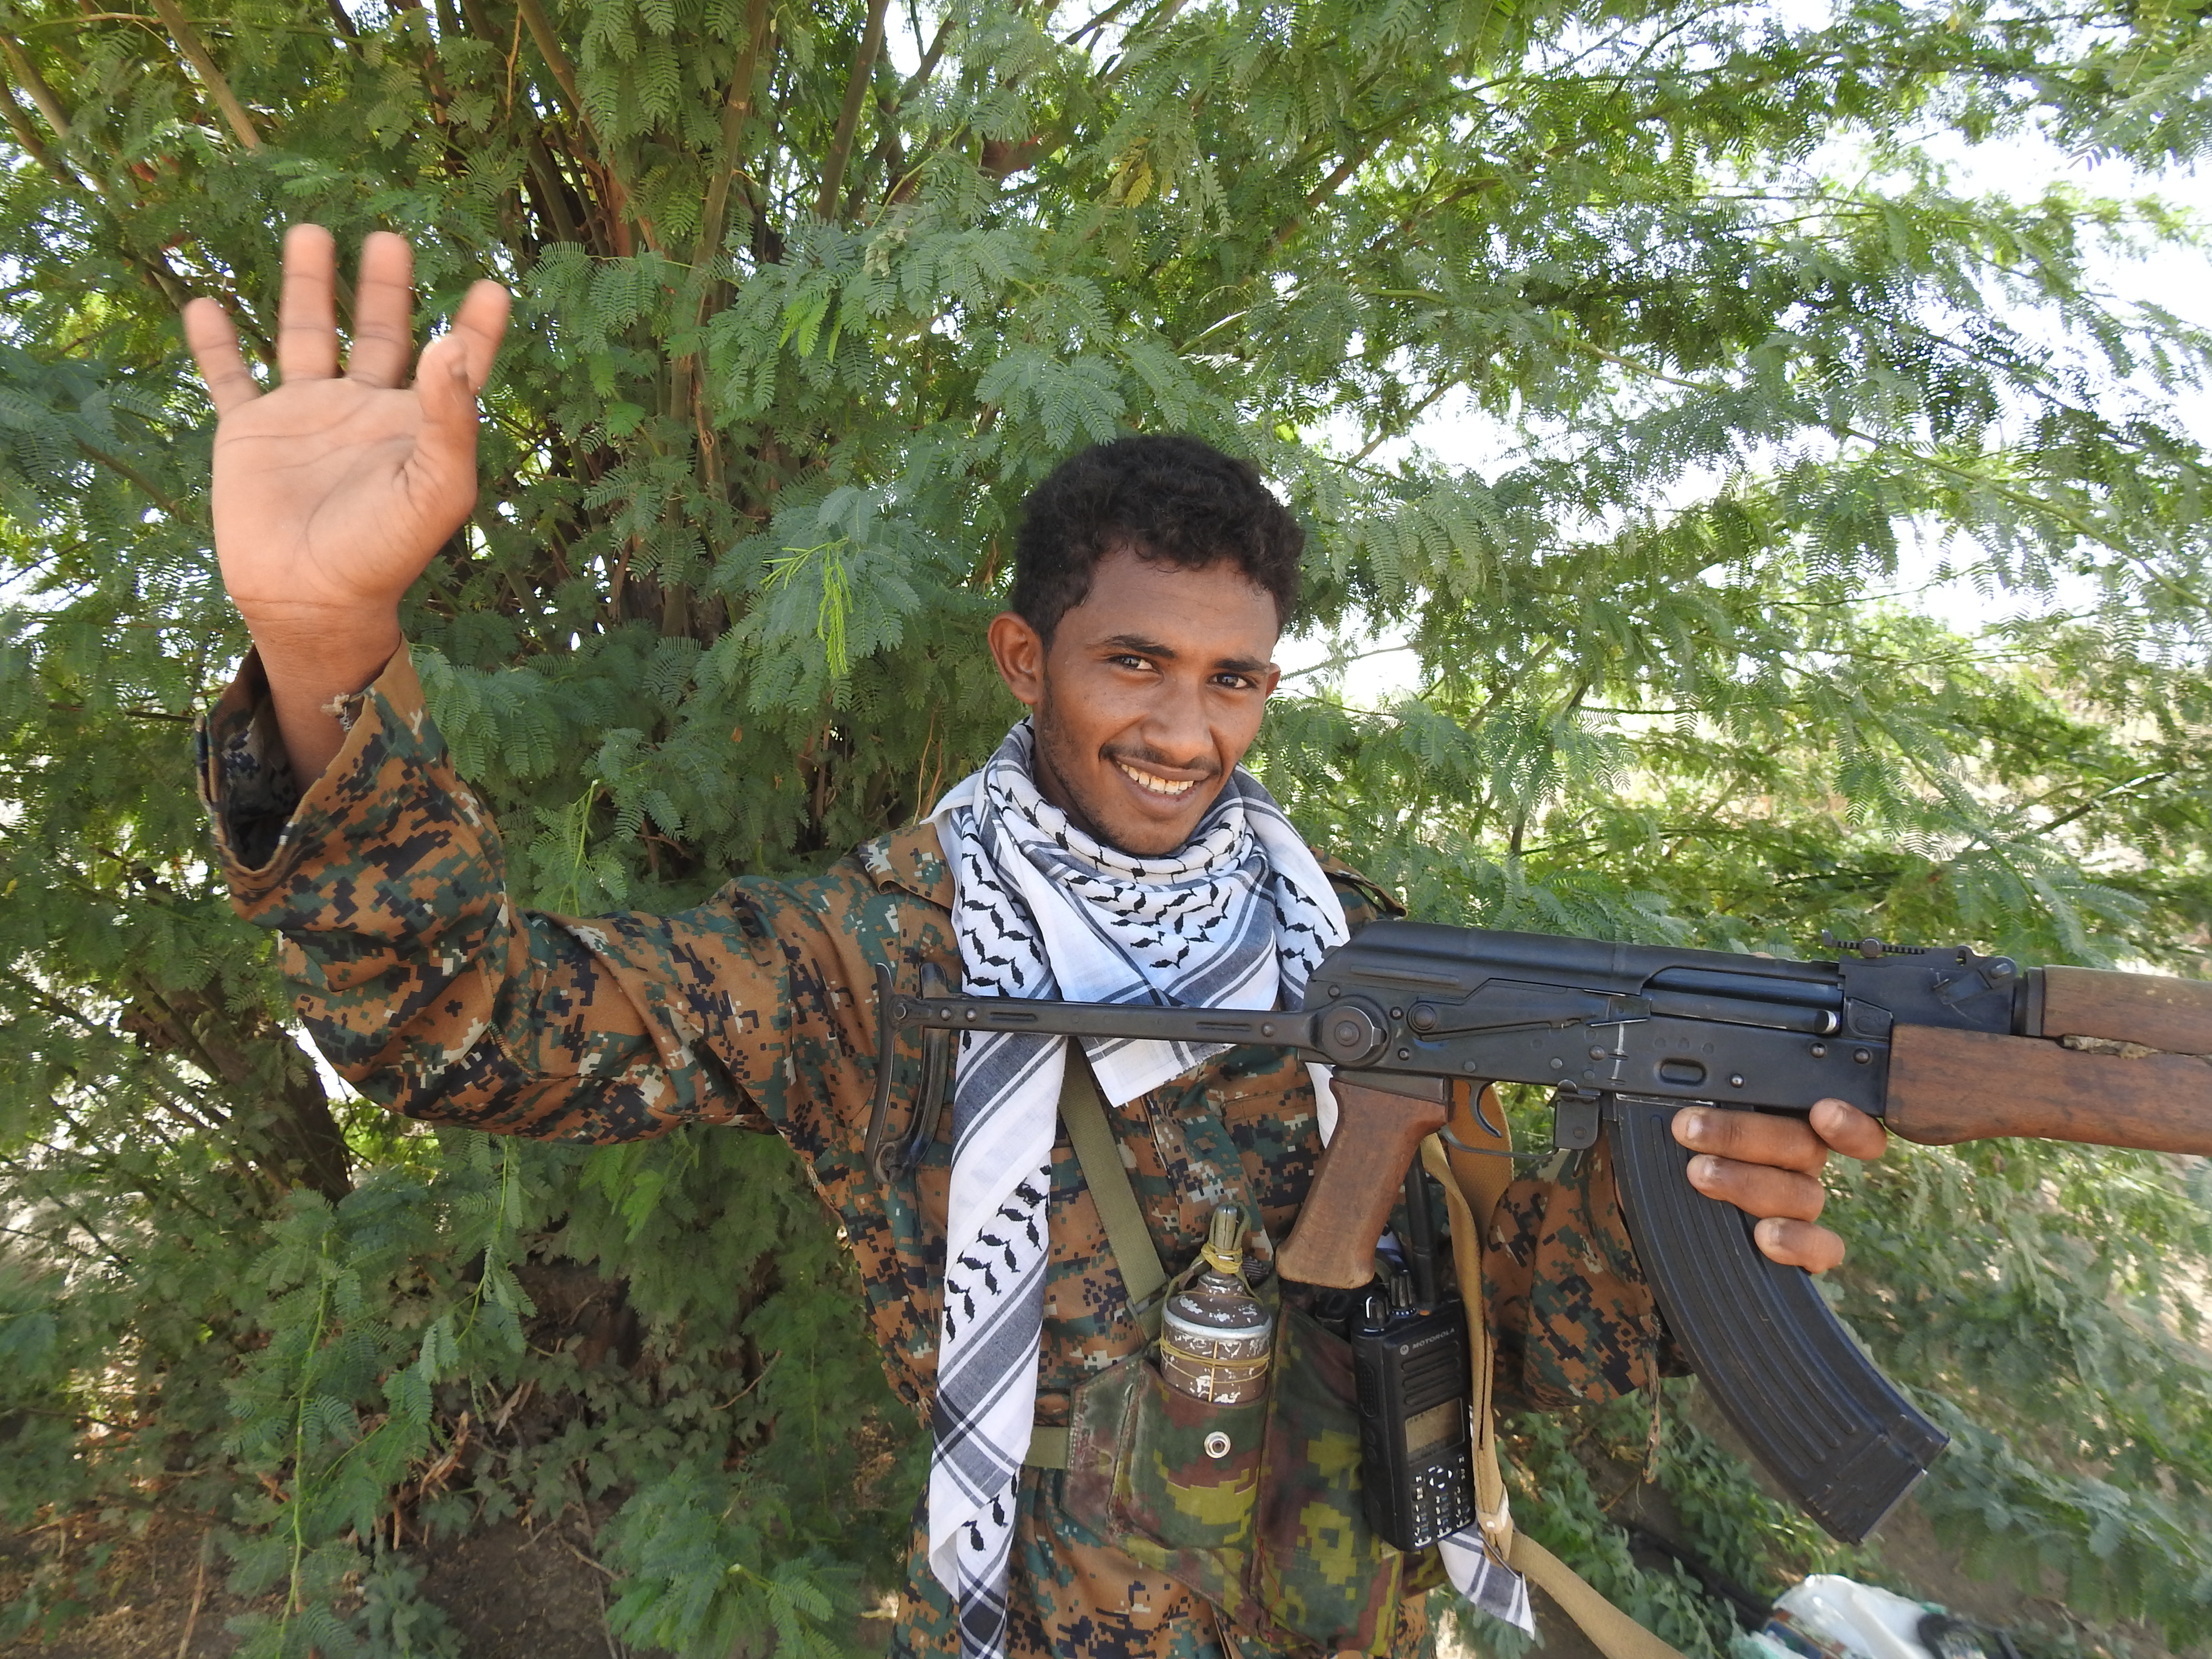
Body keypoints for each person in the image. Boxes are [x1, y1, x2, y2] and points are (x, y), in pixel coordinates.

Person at [184, 226, 1889, 1659]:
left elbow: (1502, 1318)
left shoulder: (1348, 944)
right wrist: (328, 647)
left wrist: (1686, 1224)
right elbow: (471, 1027)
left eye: (1232, 680)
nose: (1187, 731)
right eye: (1134, 663)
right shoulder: (878, 959)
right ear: (1026, 660)